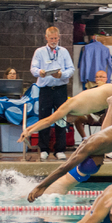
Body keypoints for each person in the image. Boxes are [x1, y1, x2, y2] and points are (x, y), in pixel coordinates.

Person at [30, 26, 74, 161]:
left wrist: (62, 74)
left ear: (59, 38)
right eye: (51, 38)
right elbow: (33, 68)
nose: (54, 40)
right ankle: (44, 148)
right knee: (44, 118)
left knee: (61, 119)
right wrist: (40, 72)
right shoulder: (40, 52)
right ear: (46, 38)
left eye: (56, 38)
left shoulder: (64, 51)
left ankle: (60, 149)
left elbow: (71, 69)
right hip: (45, 89)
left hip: (60, 89)